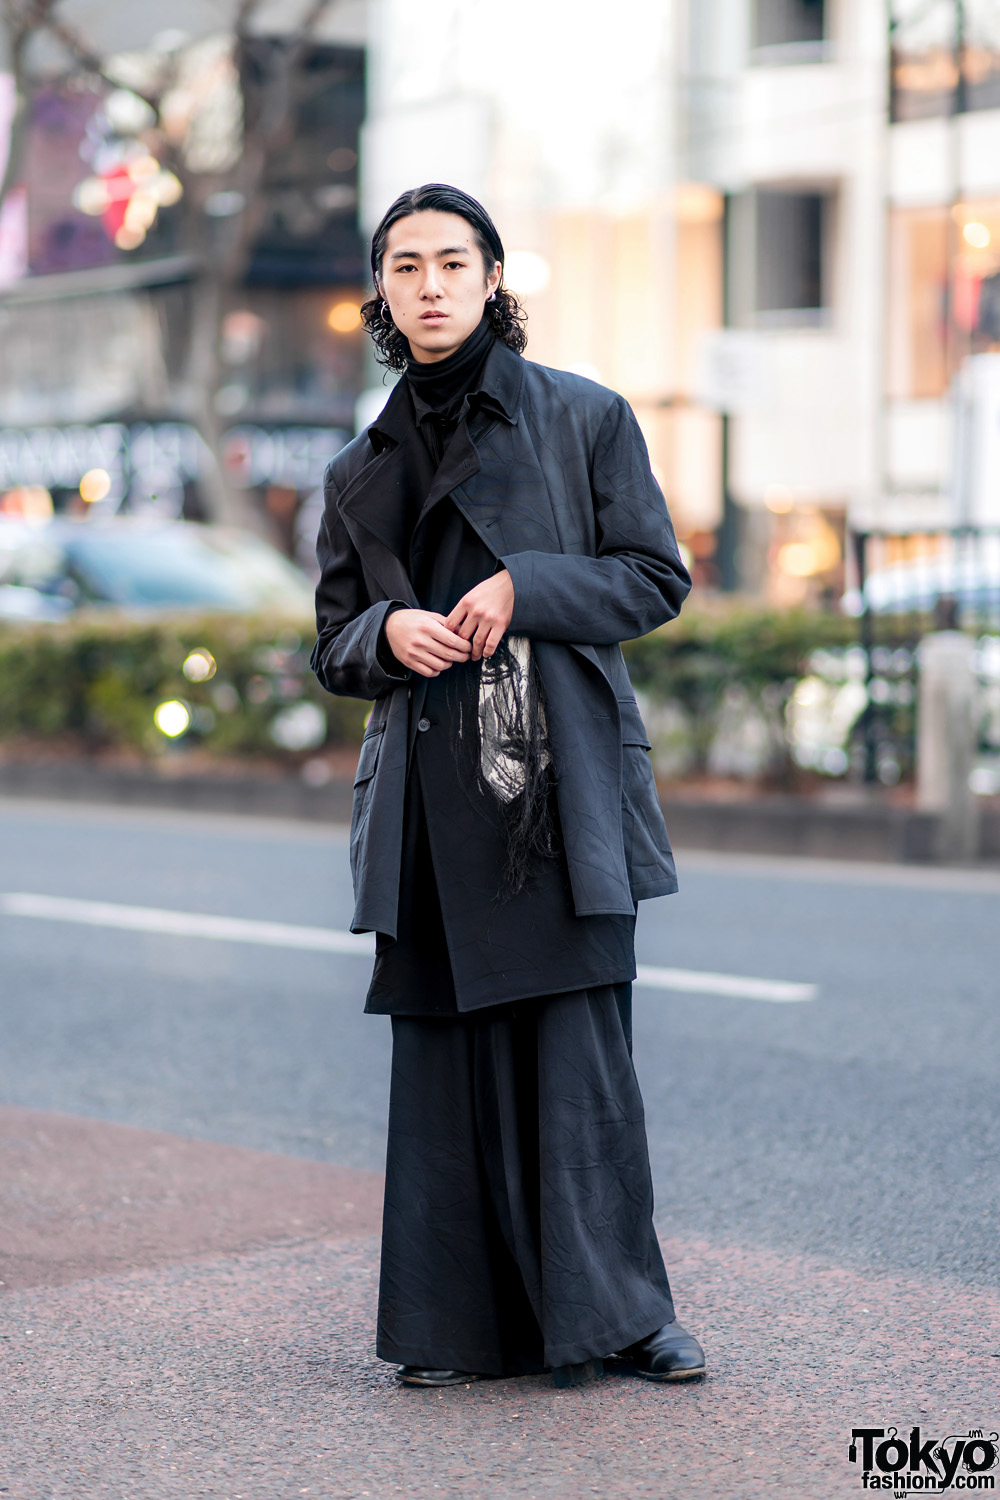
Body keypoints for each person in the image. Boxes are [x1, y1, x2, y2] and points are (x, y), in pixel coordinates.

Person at [311, 183, 705, 1390]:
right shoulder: (357, 465)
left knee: (582, 1068)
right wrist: (389, 633)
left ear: (492, 278)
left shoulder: (584, 419)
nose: (428, 285)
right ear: (380, 291)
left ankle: (625, 1318)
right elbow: (331, 641)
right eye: (404, 265)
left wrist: (526, 587)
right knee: (442, 1065)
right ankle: (452, 1327)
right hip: (431, 802)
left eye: (450, 262)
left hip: (558, 789)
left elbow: (652, 577)